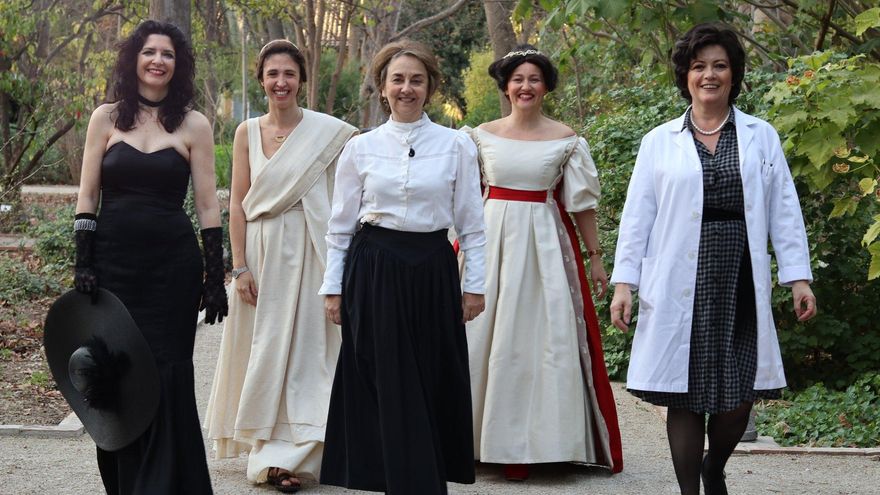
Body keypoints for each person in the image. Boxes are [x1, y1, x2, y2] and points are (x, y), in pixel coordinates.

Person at [609, 23, 817, 495]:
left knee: (739, 393)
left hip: (740, 276)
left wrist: (798, 277)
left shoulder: (760, 136)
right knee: (682, 393)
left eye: (719, 66)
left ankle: (715, 466)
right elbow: (637, 217)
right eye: (699, 66)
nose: (709, 75)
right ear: (685, 75)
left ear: (733, 74)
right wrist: (625, 284)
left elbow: (784, 208)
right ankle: (689, 492)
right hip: (679, 276)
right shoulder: (659, 141)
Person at [318, 39, 486, 495]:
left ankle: (422, 482)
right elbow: (339, 227)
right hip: (373, 272)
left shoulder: (457, 146)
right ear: (382, 86)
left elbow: (472, 224)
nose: (407, 88)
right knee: (385, 380)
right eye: (398, 79)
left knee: (429, 379)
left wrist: (475, 286)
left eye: (416, 79)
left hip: (432, 269)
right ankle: (403, 483)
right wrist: (333, 288)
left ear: (430, 87)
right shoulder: (360, 148)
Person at [73, 19, 226, 494]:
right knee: (115, 373)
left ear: (177, 66)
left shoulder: (194, 124)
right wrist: (84, 260)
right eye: (149, 52)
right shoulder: (106, 118)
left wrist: (215, 274)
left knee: (167, 372)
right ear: (134, 59)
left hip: (171, 273)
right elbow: (87, 195)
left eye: (168, 54)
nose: (158, 60)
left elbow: (206, 203)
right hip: (114, 268)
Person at [463, 45, 623, 481]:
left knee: (544, 343)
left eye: (534, 79)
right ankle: (476, 439)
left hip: (547, 249)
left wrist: (595, 258)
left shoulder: (567, 139)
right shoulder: (478, 135)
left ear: (546, 87)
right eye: (518, 79)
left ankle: (549, 442)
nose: (525, 86)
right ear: (506, 86)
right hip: (490, 242)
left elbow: (582, 205)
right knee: (482, 339)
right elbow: (460, 198)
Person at [203, 40, 356, 493]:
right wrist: (240, 268)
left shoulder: (330, 133)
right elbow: (237, 207)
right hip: (263, 251)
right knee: (264, 350)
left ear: (301, 79)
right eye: (272, 74)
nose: (281, 82)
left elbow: (346, 202)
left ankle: (299, 454)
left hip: (312, 249)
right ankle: (265, 450)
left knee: (311, 351)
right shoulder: (246, 131)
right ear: (262, 80)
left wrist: (340, 268)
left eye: (289, 73)